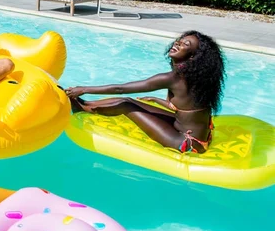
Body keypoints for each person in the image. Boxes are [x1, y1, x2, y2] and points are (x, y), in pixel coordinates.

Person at [65, 30, 226, 153]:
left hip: (187, 142)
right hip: (195, 133)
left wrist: (83, 89)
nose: (177, 44)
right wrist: (156, 100)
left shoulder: (174, 78)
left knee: (126, 105)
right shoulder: (197, 79)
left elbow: (121, 88)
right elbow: (185, 109)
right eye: (180, 41)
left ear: (193, 57)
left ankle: (83, 107)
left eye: (185, 45)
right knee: (131, 101)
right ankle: (87, 105)